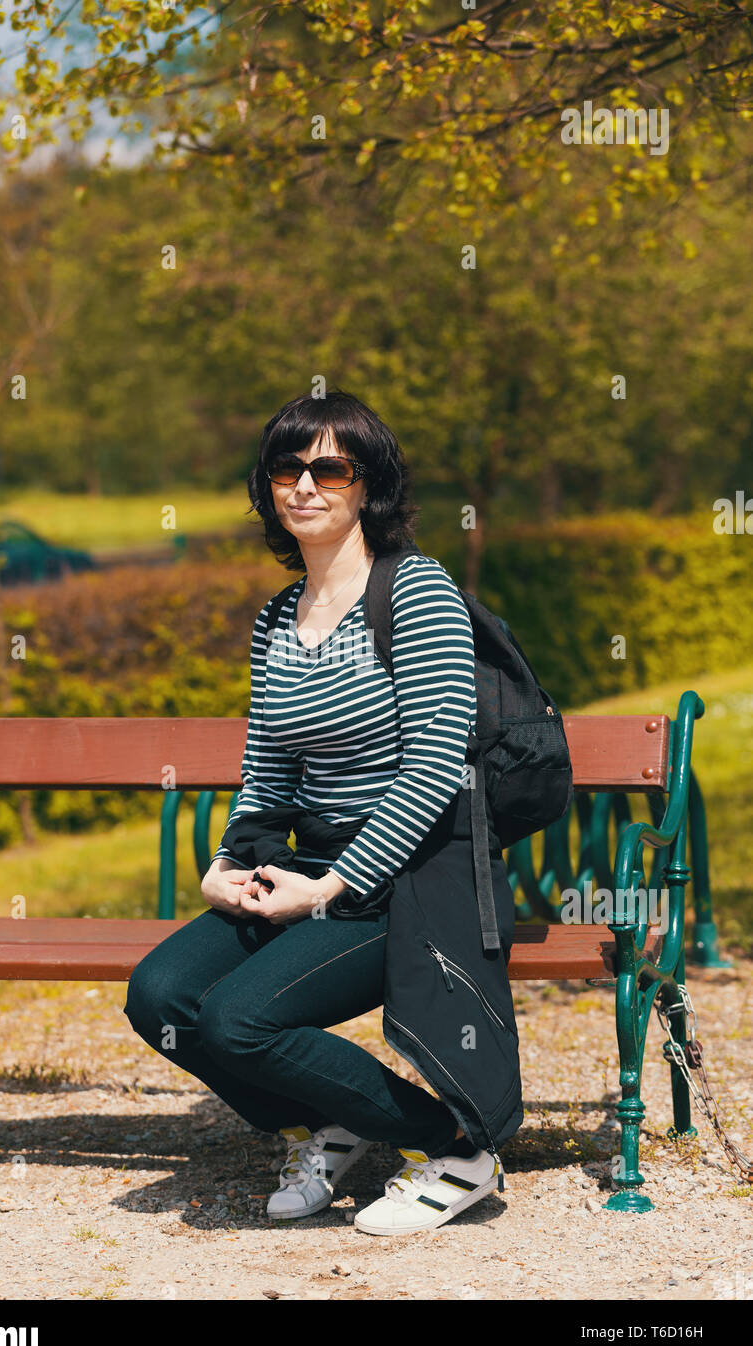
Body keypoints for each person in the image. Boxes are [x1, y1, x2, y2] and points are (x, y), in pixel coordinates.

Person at [124, 389, 513, 1235]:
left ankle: (456, 1149)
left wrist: (330, 887)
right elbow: (267, 765)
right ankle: (327, 1124)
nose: (304, 484)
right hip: (309, 865)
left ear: (366, 485)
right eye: (286, 467)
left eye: (329, 466)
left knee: (237, 1021)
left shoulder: (416, 592)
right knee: (160, 997)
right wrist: (227, 864)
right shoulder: (276, 618)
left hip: (411, 875)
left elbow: (436, 767)